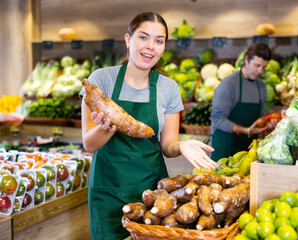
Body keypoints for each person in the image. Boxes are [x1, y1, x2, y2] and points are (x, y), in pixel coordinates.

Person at [79, 12, 217, 240]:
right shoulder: (101, 80)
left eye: (159, 41)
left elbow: (168, 145)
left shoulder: (168, 88)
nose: (150, 47)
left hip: (153, 195)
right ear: (128, 39)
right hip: (108, 191)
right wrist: (106, 127)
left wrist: (180, 146)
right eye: (143, 37)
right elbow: (89, 144)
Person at [211, 43, 273, 161]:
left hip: (247, 150)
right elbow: (217, 120)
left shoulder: (261, 87)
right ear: (246, 59)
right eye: (257, 65)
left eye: (264, 67)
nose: (260, 71)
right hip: (225, 147)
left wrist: (268, 125)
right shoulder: (228, 84)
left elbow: (260, 117)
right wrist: (246, 130)